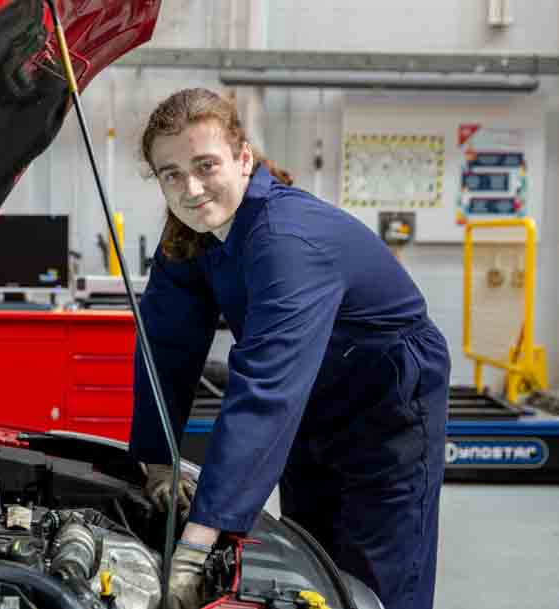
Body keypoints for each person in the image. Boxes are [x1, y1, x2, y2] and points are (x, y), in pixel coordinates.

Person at [128, 88, 449, 609]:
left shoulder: (287, 241)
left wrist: (197, 543)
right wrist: (157, 458)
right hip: (315, 394)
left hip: (386, 402)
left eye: (206, 165)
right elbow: (166, 343)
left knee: (377, 572)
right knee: (311, 558)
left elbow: (265, 389)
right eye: (171, 173)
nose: (191, 188)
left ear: (244, 159)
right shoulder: (189, 236)